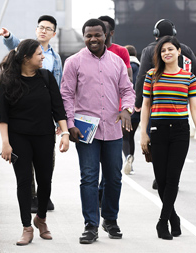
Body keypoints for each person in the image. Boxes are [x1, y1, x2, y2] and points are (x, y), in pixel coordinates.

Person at [60, 19, 135, 244]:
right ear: (84, 37)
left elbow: (127, 90)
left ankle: (110, 220)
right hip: (85, 132)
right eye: (88, 35)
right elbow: (66, 95)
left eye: (97, 35)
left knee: (114, 178)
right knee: (89, 178)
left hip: (113, 129)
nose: (93, 39)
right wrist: (70, 124)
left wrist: (127, 109)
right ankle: (90, 225)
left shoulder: (117, 62)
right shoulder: (73, 62)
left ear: (106, 36)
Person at [0, 39, 69, 246]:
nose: (43, 57)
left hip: (45, 136)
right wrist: (5, 143)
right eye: (39, 54)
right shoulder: (7, 81)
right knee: (24, 181)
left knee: (45, 181)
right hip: (19, 137)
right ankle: (27, 227)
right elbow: (3, 116)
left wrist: (64, 133)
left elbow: (58, 108)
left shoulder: (46, 77)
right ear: (26, 58)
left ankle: (41, 219)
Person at [139, 35, 196, 240]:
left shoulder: (189, 77)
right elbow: (146, 106)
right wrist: (143, 133)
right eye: (162, 50)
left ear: (179, 52)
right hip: (158, 130)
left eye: (170, 49)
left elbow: (194, 107)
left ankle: (162, 223)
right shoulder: (151, 75)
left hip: (180, 131)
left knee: (173, 178)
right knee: (161, 178)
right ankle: (174, 219)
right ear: (159, 55)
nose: (166, 53)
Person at [0, 15, 62, 212]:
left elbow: (58, 86)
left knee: (46, 161)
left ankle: (44, 195)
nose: (43, 30)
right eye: (40, 27)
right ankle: (32, 197)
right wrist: (8, 36)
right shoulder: (27, 49)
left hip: (45, 114)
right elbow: (16, 46)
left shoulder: (55, 58)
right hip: (24, 113)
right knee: (26, 164)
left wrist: (60, 118)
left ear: (54, 33)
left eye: (47, 28)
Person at [134, 19, 196, 190]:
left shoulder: (150, 50)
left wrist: (138, 103)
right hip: (179, 109)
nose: (166, 52)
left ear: (155, 34)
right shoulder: (184, 49)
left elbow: (141, 79)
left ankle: (161, 177)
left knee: (157, 146)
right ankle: (169, 179)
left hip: (158, 109)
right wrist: (185, 89)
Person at [97, 15, 133, 202]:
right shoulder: (86, 53)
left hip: (117, 113)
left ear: (110, 32)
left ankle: (104, 189)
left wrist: (126, 107)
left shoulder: (120, 52)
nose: (97, 34)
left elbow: (128, 81)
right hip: (94, 117)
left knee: (112, 162)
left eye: (102, 29)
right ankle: (99, 190)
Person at [122, 45, 141, 175]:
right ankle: (131, 163)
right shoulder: (141, 68)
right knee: (132, 136)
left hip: (126, 107)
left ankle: (127, 157)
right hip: (138, 108)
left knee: (124, 137)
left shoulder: (125, 67)